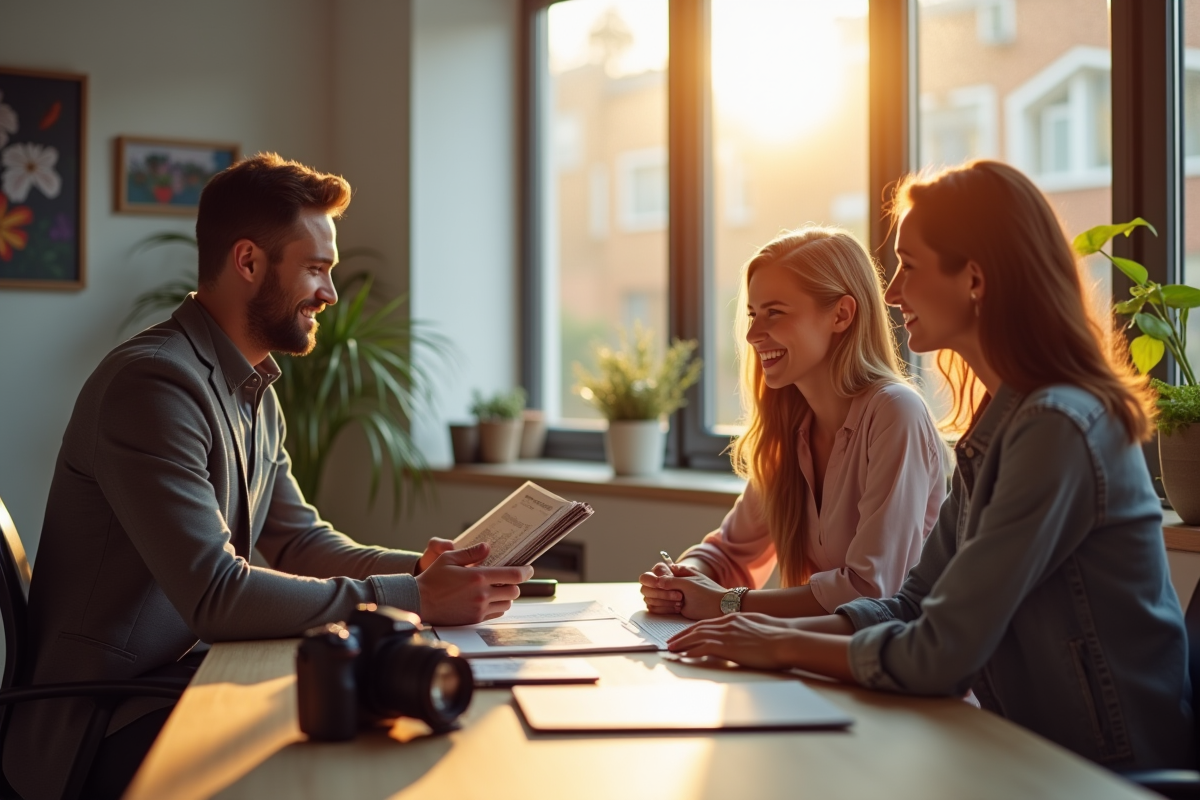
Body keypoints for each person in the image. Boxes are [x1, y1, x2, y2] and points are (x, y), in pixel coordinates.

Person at [3, 153, 533, 800]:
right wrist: (418, 600)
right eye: (316, 269)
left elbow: (298, 543)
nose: (331, 294)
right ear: (248, 263)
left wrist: (424, 572)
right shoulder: (154, 385)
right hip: (102, 722)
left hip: (173, 681)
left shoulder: (251, 387)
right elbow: (216, 597)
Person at [668, 160, 1194, 770]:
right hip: (1021, 750)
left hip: (1100, 770)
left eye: (908, 268)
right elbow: (912, 604)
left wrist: (776, 640)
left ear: (974, 278)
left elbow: (941, 652)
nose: (889, 293)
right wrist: (753, 632)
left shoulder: (1057, 428)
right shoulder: (1000, 425)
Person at [640, 227, 945, 620]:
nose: (752, 334)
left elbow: (871, 591)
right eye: (752, 313)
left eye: (774, 313)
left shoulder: (895, 413)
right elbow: (729, 552)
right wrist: (681, 579)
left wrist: (724, 603)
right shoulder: (788, 428)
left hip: (891, 671)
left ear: (841, 314)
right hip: (815, 662)